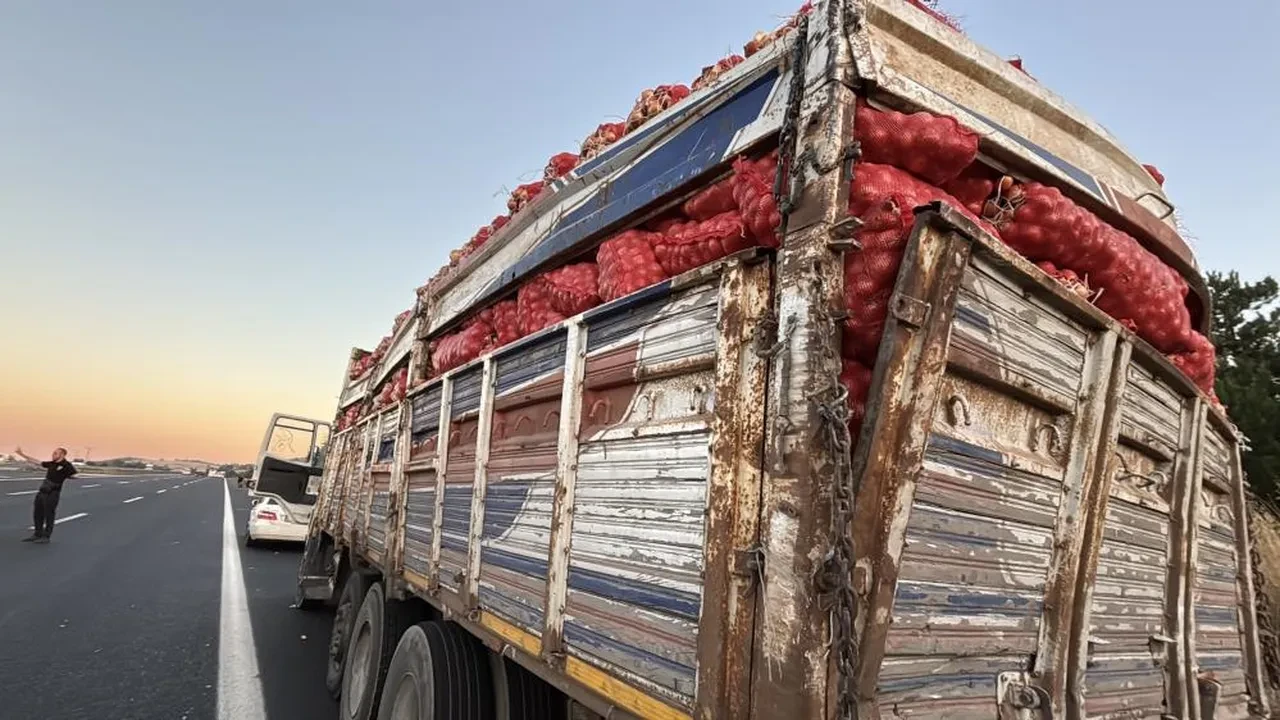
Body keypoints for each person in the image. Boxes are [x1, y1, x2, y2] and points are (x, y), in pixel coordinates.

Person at [13, 446, 78, 543]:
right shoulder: (51, 464)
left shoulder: (66, 465)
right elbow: (37, 462)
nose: (53, 454)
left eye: (56, 453)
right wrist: (21, 454)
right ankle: (37, 534)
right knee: (37, 513)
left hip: (53, 493)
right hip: (42, 492)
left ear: (62, 455)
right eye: (53, 453)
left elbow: (75, 475)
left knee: (49, 515)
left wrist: (66, 476)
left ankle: (46, 536)